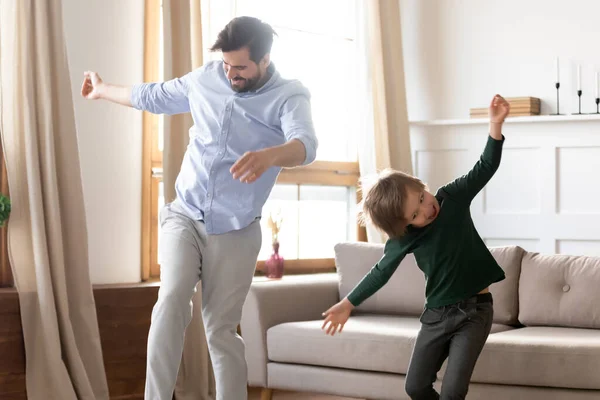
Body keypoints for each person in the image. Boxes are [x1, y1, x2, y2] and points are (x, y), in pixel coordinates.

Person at [81, 16, 317, 400]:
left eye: (240, 67)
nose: (231, 73)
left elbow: (305, 144)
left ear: (265, 60)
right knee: (171, 300)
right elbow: (153, 96)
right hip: (185, 215)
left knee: (221, 331)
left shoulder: (289, 95)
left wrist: (271, 155)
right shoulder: (207, 78)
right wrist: (104, 89)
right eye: (226, 64)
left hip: (237, 229)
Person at [321, 94, 510, 399]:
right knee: (415, 387)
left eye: (422, 197)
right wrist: (348, 303)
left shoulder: (452, 198)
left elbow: (485, 166)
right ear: (404, 225)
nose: (427, 209)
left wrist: (495, 125)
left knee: (452, 392)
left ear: (420, 184)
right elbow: (379, 273)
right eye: (415, 214)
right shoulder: (404, 239)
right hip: (436, 316)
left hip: (475, 312)